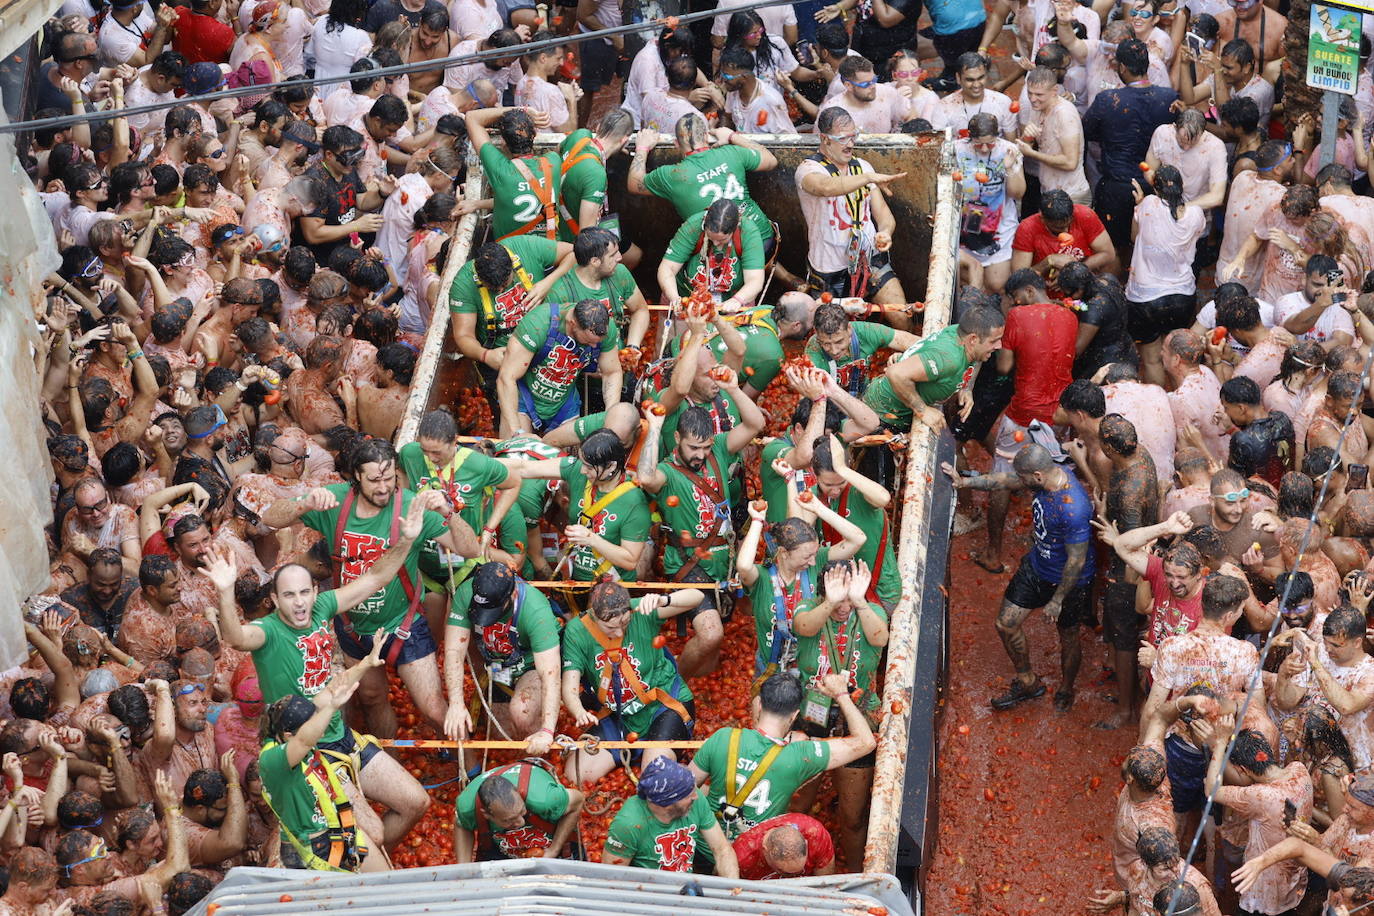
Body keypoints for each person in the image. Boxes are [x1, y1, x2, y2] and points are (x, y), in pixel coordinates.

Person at [202, 493, 433, 850]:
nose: (299, 603)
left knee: (416, 803)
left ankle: (364, 861)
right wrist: (225, 591)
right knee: (371, 834)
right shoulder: (269, 632)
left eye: (304, 593)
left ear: (315, 591)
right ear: (274, 601)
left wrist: (407, 539)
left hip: (340, 733)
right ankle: (362, 868)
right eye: (289, 595)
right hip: (305, 750)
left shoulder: (324, 605)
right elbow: (234, 636)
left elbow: (375, 578)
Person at [258, 437, 478, 740]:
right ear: (356, 477)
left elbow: (470, 549)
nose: (383, 487)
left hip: (403, 624)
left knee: (431, 707)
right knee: (372, 698)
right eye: (374, 480)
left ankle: (472, 769)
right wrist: (304, 504)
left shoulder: (411, 507)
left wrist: (449, 514)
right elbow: (268, 518)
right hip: (353, 628)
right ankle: (391, 758)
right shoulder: (334, 502)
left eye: (389, 478)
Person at [944, 444, 1095, 711]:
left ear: (1037, 476)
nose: (1021, 484)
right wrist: (965, 481)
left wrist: (1058, 599)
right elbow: (1005, 480)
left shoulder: (1074, 508)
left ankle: (1066, 688)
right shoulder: (1041, 479)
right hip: (1037, 567)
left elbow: (1076, 561)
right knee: (1005, 624)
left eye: (1024, 478)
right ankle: (1028, 681)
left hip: (1069, 582)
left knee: (1068, 635)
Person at [688, 670, 874, 839]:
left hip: (706, 845)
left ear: (759, 705)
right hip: (753, 855)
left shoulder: (723, 737)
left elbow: (686, 787)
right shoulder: (800, 756)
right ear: (794, 715)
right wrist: (841, 694)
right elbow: (866, 742)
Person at [795, 108, 907, 310]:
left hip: (868, 257)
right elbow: (826, 187)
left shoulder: (862, 166)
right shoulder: (808, 169)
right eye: (843, 138)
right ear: (825, 139)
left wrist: (885, 233)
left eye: (853, 136)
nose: (851, 144)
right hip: (829, 267)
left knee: (900, 312)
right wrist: (868, 178)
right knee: (834, 329)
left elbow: (884, 215)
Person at [443, 563, 562, 752]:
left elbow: (550, 673)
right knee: (501, 737)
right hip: (496, 665)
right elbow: (453, 651)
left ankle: (539, 758)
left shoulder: (535, 609)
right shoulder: (466, 594)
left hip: (530, 665)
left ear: (512, 596)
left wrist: (547, 731)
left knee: (522, 714)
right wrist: (456, 703)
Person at [1082, 38, 1180, 265]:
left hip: (1117, 186)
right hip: (1155, 186)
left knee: (1114, 249)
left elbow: (1088, 131)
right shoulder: (1169, 98)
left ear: (1122, 68)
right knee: (1152, 246)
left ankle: (1113, 295)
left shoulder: (1108, 100)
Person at [864, 304, 1005, 433]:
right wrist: (923, 410)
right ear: (973, 339)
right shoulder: (949, 359)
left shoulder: (966, 338)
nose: (999, 345)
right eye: (993, 341)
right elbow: (895, 373)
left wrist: (967, 387)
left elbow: (978, 358)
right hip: (881, 415)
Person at [495, 298, 622, 437]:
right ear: (572, 323)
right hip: (524, 397)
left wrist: (611, 415)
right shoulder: (538, 324)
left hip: (564, 403)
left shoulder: (605, 328)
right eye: (588, 341)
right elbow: (506, 377)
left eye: (596, 343)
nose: (593, 346)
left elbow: (611, 372)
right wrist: (515, 430)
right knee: (515, 452)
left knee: (567, 458)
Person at [603, 756, 739, 876]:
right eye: (688, 795)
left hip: (685, 884)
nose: (695, 796)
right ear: (667, 803)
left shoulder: (696, 800)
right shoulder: (628, 824)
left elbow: (722, 850)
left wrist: (733, 888)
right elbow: (612, 877)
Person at [453, 760, 585, 861]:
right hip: (502, 847)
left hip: (548, 837)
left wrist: (554, 850)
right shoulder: (467, 807)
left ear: (519, 793)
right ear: (486, 814)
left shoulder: (545, 799)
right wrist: (464, 868)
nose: (520, 822)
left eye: (522, 811)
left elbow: (578, 800)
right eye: (509, 820)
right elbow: (462, 824)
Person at [465, 107, 562, 242]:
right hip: (551, 250)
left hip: (511, 255)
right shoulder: (553, 161)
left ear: (503, 143)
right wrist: (477, 204)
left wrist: (523, 109)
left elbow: (472, 117)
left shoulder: (499, 169)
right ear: (534, 134)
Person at [953, 113, 1026, 294]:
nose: (985, 149)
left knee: (997, 285)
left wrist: (1009, 168)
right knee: (971, 285)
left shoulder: (1008, 150)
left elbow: (1018, 193)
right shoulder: (955, 150)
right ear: (970, 139)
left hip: (999, 227)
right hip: (965, 227)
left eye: (990, 143)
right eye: (979, 144)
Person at [732, 815, 836, 879]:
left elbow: (826, 882)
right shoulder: (741, 856)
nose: (791, 878)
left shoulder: (815, 835)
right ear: (765, 851)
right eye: (783, 871)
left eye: (798, 872)